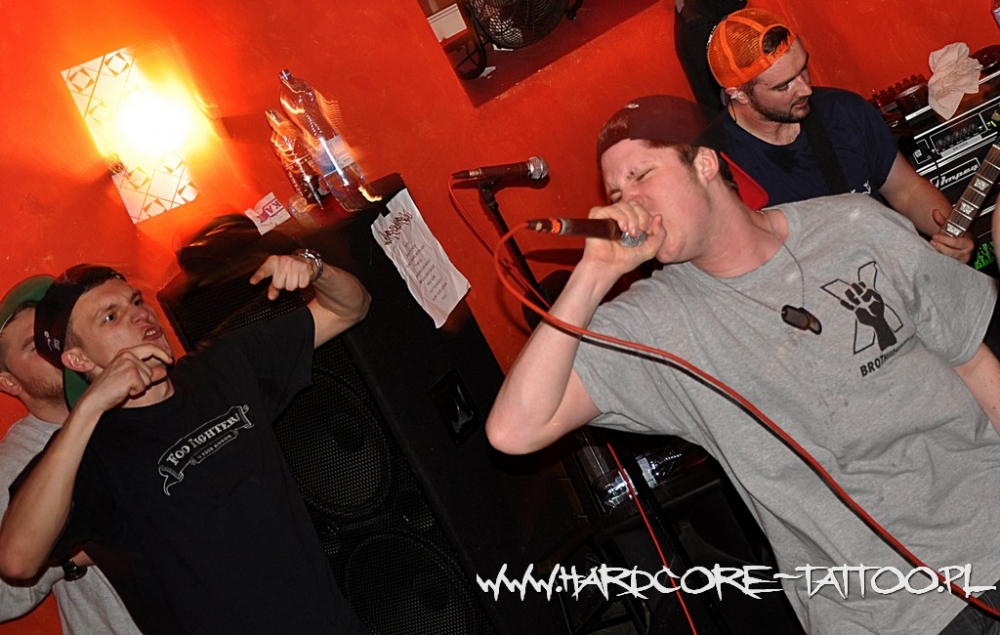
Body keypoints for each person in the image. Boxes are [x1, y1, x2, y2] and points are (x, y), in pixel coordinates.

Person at [485, 95, 1000, 634]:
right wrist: (593, 274)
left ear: (705, 163)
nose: (628, 202)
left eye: (641, 175)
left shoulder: (854, 225)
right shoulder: (654, 324)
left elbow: (970, 358)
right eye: (615, 193)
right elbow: (513, 431)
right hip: (887, 616)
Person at [0, 251, 372, 634]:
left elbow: (349, 308)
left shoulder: (222, 365)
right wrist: (89, 407)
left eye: (136, 301)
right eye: (111, 317)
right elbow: (16, 562)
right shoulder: (92, 454)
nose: (139, 315)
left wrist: (315, 267)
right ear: (79, 360)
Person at [694, 8, 979, 264]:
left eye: (803, 68)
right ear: (739, 94)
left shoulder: (844, 111)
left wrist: (952, 233)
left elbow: (906, 190)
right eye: (784, 86)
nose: (805, 89)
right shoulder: (710, 168)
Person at [0, 275, 141, 634]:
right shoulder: (13, 464)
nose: (53, 348)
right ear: (9, 382)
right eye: (34, 346)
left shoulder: (143, 398)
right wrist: (70, 554)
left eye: (57, 333)